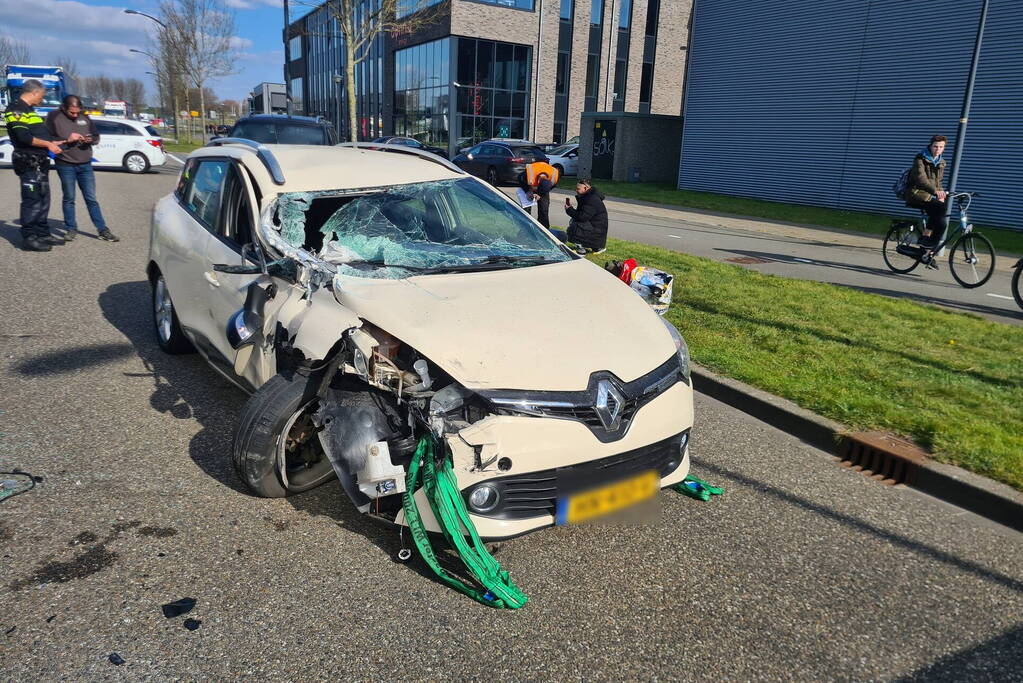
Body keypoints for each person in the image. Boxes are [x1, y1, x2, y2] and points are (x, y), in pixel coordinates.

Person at [2, 79, 69, 252]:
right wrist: (48, 145)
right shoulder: (16, 109)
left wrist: (65, 141)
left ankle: (42, 232)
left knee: (43, 199)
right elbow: (23, 137)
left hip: (40, 162)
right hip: (28, 161)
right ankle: (29, 237)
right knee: (32, 201)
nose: (42, 99)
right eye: (42, 96)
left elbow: (43, 138)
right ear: (34, 92)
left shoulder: (30, 110)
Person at [46, 95, 118, 242]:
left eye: (77, 112)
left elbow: (96, 137)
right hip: (65, 164)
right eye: (71, 112)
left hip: (85, 164)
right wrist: (68, 140)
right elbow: (47, 141)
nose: (75, 115)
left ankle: (102, 230)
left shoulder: (85, 117)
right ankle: (70, 228)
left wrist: (90, 140)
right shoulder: (53, 117)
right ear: (63, 108)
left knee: (91, 199)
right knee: (69, 198)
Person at [905, 134, 948, 247]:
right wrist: (935, 192)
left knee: (942, 222)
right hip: (915, 193)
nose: (938, 149)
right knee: (941, 208)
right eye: (935, 146)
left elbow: (938, 182)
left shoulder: (941, 162)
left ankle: (928, 251)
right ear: (930, 145)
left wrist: (941, 193)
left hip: (929, 194)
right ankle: (928, 240)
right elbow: (921, 180)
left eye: (941, 147)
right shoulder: (920, 158)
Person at [563, 179, 609, 253]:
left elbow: (582, 217)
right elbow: (582, 214)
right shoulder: (588, 196)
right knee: (576, 221)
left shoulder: (591, 199)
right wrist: (571, 209)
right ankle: (597, 247)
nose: (576, 190)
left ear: (585, 188)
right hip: (598, 230)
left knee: (575, 224)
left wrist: (569, 210)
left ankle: (581, 249)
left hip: (596, 230)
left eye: (578, 189)